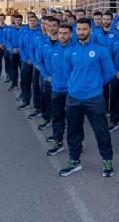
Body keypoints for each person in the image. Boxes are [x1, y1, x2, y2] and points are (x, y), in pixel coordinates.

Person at [60, 18, 116, 177]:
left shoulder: (100, 50)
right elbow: (67, 73)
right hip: (74, 98)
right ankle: (74, 160)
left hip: (94, 98)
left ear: (90, 30)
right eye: (79, 29)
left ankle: (107, 160)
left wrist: (95, 85)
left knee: (101, 131)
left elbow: (109, 72)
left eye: (85, 29)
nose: (81, 32)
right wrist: (75, 86)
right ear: (75, 31)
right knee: (73, 130)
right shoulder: (70, 51)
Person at [44, 23, 72, 156]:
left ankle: (76, 145)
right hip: (56, 89)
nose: (62, 36)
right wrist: (53, 79)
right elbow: (48, 66)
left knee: (73, 120)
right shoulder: (52, 50)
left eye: (65, 33)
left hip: (72, 91)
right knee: (57, 117)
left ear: (71, 34)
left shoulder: (76, 49)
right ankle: (58, 142)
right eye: (60, 33)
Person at [17, 14, 40, 110]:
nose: (32, 22)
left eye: (34, 20)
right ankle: (26, 101)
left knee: (36, 85)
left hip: (37, 63)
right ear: (28, 22)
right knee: (25, 82)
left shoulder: (41, 32)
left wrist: (35, 60)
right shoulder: (24, 32)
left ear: (37, 21)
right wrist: (26, 59)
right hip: (26, 62)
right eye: (31, 21)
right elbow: (21, 47)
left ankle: (37, 106)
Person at [6, 14, 24, 91]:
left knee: (23, 70)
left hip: (22, 53)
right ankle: (14, 84)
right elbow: (8, 40)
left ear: (22, 20)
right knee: (13, 69)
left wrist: (20, 49)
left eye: (19, 20)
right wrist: (12, 48)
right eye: (16, 20)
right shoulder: (11, 30)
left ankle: (23, 86)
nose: (17, 22)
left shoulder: (25, 29)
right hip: (13, 53)